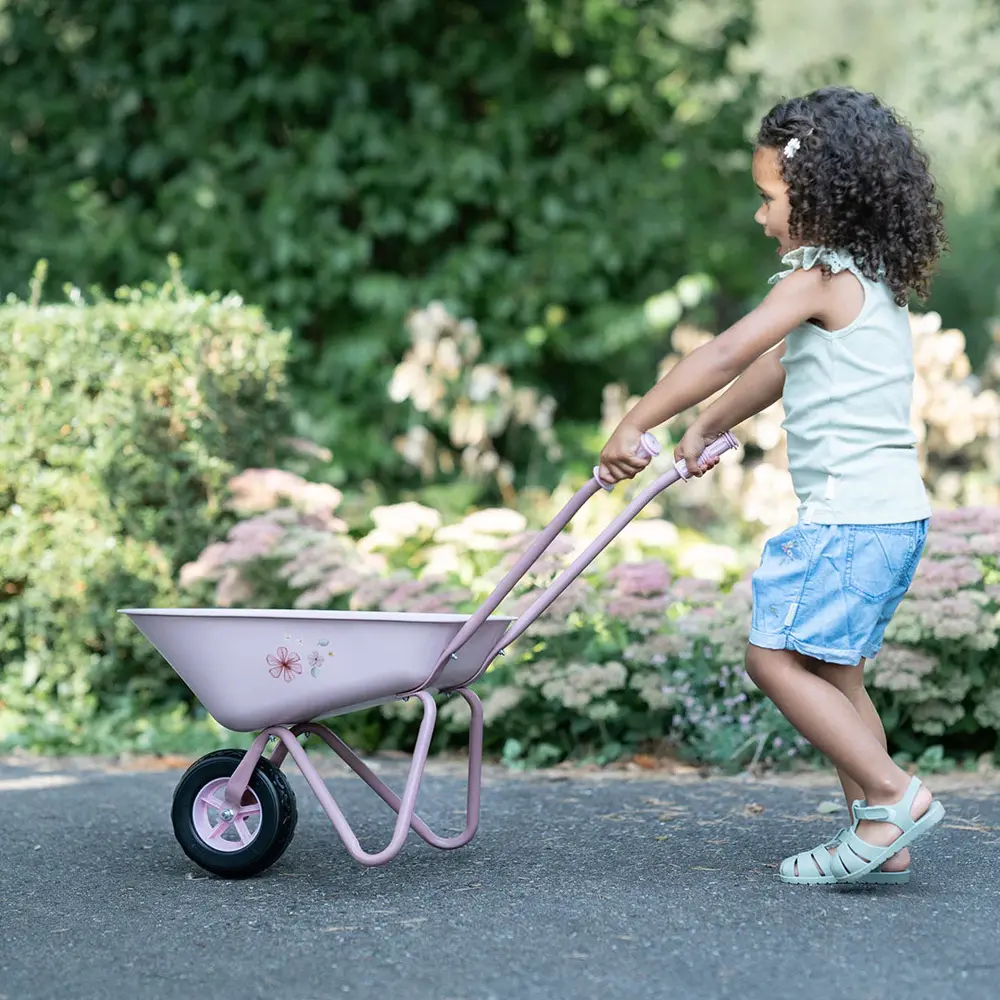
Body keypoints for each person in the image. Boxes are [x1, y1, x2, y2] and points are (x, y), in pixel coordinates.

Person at [597, 86, 948, 885]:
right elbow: (775, 370)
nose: (761, 218)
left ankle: (896, 795)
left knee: (773, 659)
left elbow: (725, 351)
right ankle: (880, 832)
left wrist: (637, 420)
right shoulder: (869, 279)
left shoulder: (816, 278)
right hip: (892, 517)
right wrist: (707, 425)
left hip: (848, 521)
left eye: (769, 199)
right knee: (836, 672)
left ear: (819, 195)